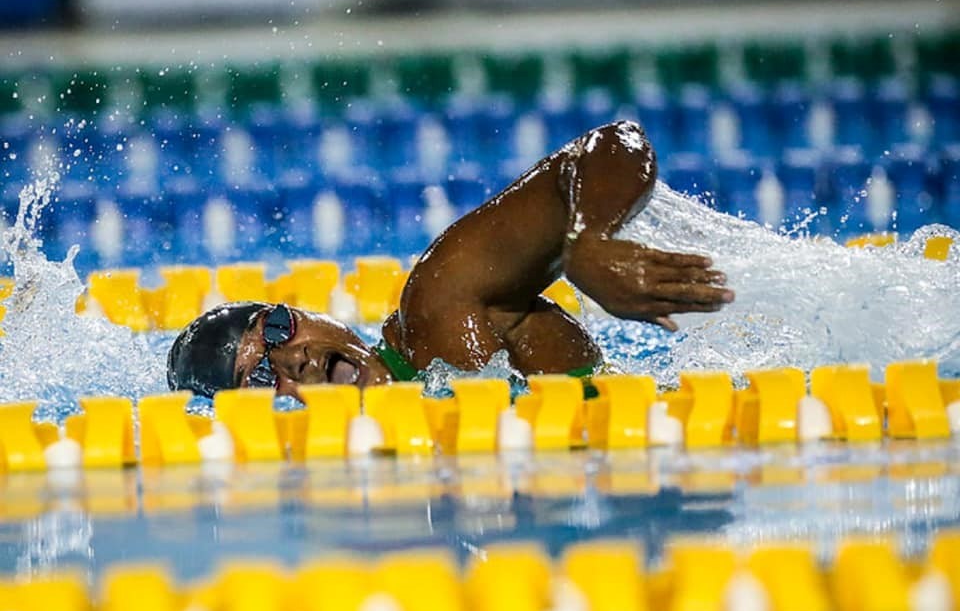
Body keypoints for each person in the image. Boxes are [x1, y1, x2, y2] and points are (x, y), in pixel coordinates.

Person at [167, 120, 734, 399]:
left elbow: (612, 144)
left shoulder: (441, 306)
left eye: (281, 328)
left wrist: (588, 243)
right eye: (260, 374)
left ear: (315, 316)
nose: (294, 359)